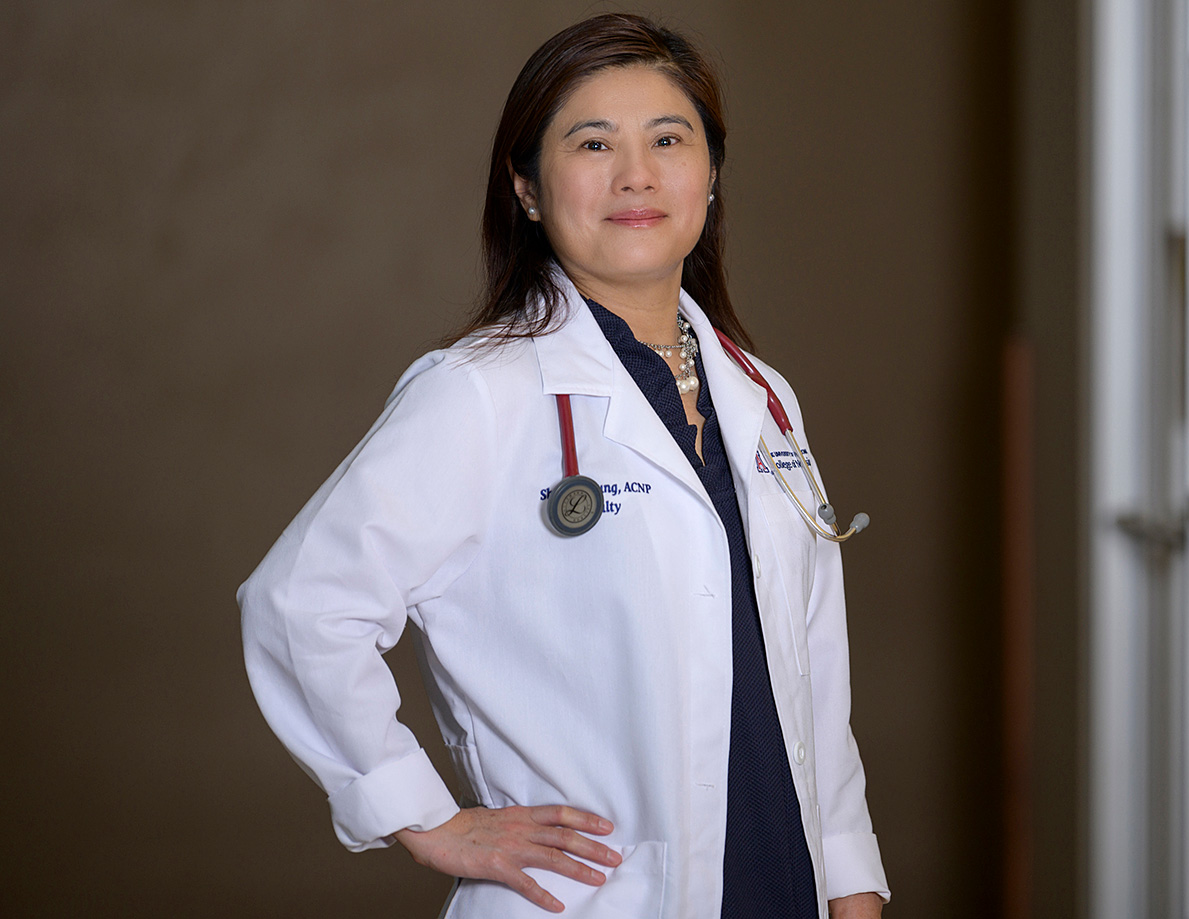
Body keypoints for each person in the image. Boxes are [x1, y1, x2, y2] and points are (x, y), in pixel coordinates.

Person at [239, 12, 888, 919]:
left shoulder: (761, 395)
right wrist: (422, 815)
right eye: (594, 143)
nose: (637, 175)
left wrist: (852, 882)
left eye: (670, 139)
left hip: (784, 887)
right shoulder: (478, 393)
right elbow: (301, 604)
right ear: (528, 187)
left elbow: (813, 674)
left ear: (711, 177)